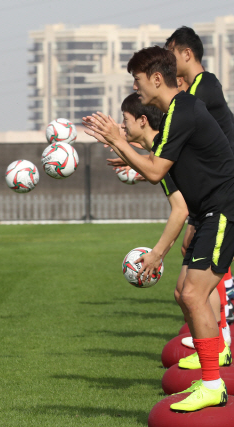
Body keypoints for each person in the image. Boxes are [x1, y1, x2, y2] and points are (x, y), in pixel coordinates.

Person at [84, 45, 234, 412]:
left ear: (155, 79)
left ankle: (213, 382)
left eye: (137, 81)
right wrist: (123, 146)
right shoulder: (174, 114)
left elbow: (154, 172)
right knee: (185, 292)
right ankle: (211, 371)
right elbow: (156, 157)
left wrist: (120, 140)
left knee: (195, 295)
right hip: (208, 214)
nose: (135, 88)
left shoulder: (182, 110)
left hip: (224, 209)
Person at [166, 26, 234, 352]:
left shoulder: (203, 87)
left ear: (186, 54)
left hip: (226, 193)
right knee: (195, 283)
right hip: (215, 194)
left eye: (169, 54)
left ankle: (221, 343)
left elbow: (176, 130)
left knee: (200, 284)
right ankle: (217, 343)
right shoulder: (194, 91)